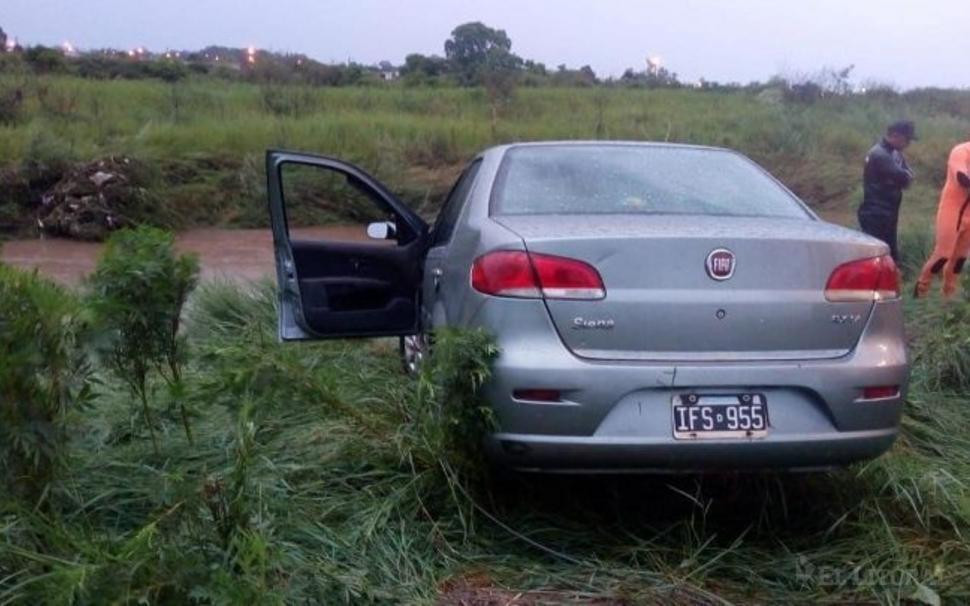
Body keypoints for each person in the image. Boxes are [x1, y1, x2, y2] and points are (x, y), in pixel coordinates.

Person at [914, 138, 970, 298]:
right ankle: (920, 292)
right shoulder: (961, 151)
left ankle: (948, 296)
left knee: (960, 259)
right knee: (943, 255)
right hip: (952, 211)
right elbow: (962, 178)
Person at [858, 121, 916, 262]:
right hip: (876, 213)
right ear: (896, 136)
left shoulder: (894, 153)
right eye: (907, 139)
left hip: (888, 211)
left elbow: (909, 175)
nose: (908, 144)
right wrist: (905, 176)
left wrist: (906, 176)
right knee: (876, 256)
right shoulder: (879, 154)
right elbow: (904, 178)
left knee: (889, 255)